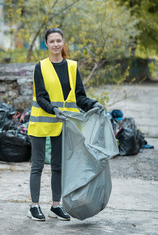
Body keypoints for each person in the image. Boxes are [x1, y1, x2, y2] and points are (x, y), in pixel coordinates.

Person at [26, 27, 104, 221]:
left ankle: (55, 205)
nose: (55, 44)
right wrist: (53, 109)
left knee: (58, 166)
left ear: (63, 42)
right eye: (51, 41)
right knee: (37, 165)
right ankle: (34, 206)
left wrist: (93, 104)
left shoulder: (71, 66)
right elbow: (41, 96)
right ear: (46, 44)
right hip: (41, 121)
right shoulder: (40, 67)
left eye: (58, 41)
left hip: (63, 124)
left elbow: (79, 96)